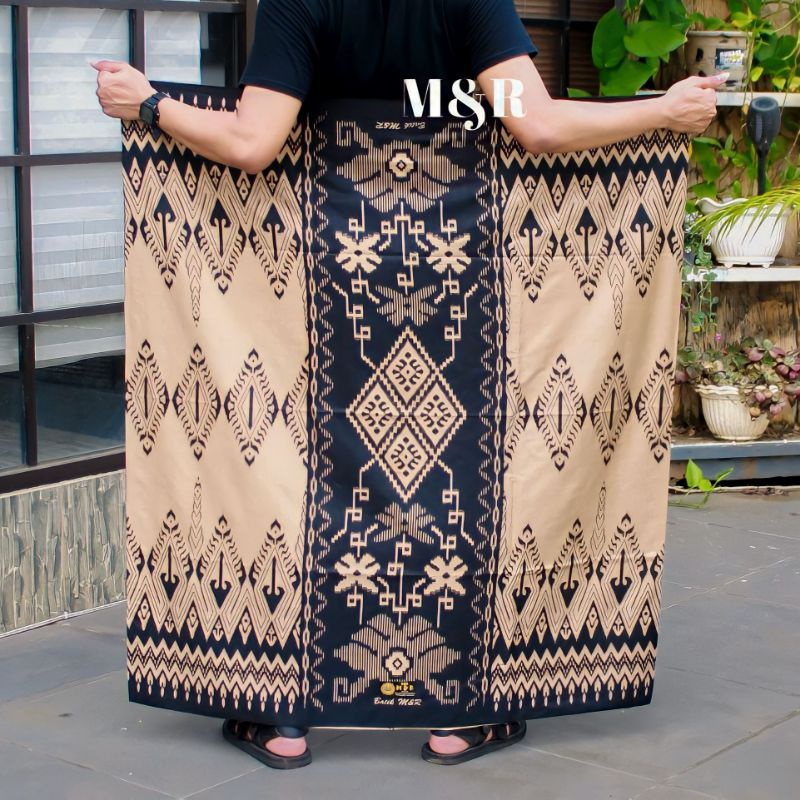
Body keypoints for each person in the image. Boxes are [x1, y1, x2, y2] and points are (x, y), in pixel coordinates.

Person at [94, 0, 721, 769]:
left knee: (292, 469)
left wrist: (149, 106)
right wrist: (662, 111)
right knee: (467, 476)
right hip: (460, 262)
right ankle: (459, 715)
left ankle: (285, 716)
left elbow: (254, 144)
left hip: (323, 263)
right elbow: (537, 127)